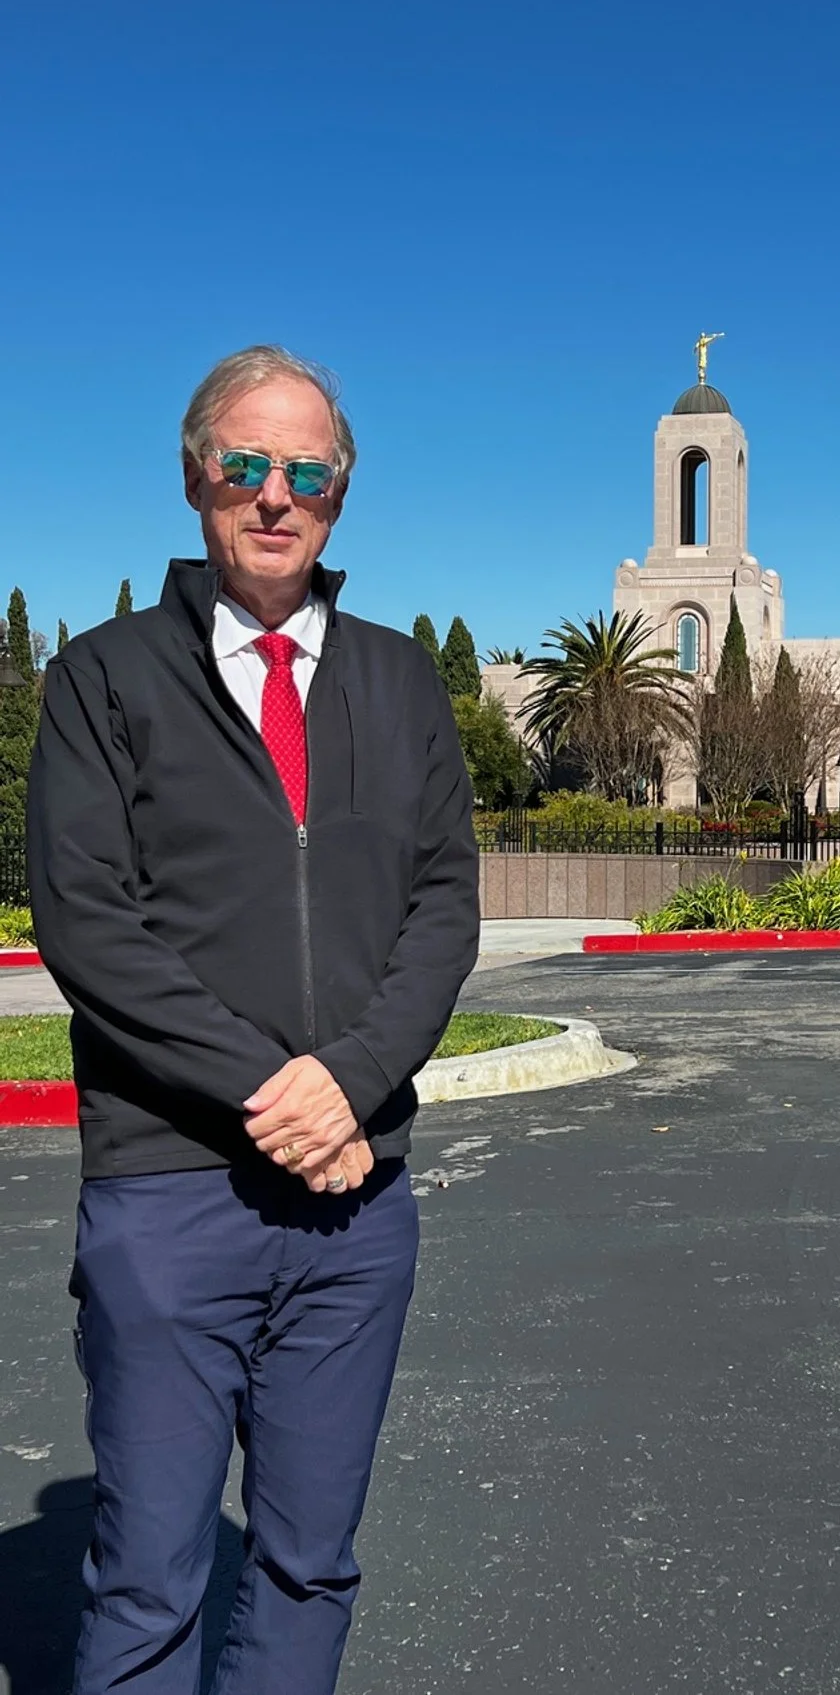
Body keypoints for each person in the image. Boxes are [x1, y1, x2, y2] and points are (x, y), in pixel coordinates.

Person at [27, 344, 480, 1694]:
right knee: (150, 1574)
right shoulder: (103, 680)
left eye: (310, 473)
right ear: (194, 477)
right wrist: (272, 1090)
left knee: (307, 1563)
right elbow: (87, 920)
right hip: (172, 1195)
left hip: (357, 1205)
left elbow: (444, 906)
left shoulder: (403, 687)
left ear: (342, 494)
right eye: (247, 464)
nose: (277, 496)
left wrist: (348, 1084)